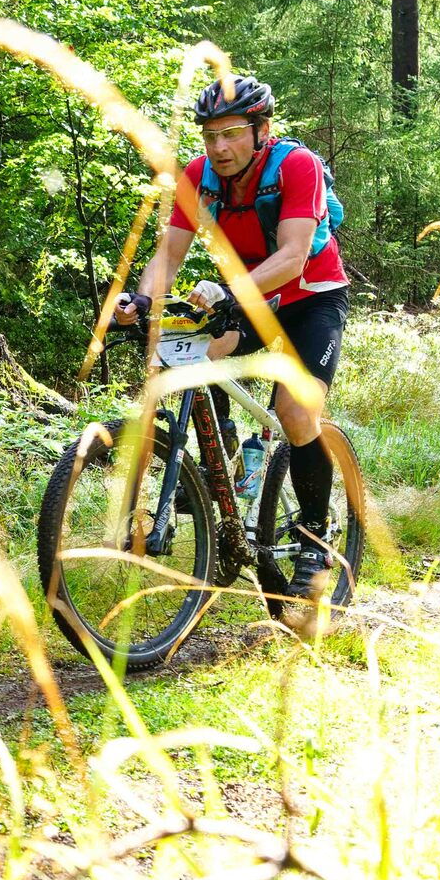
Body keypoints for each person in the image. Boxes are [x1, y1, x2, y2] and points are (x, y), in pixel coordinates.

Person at [116, 74, 348, 604]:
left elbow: (292, 256)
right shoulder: (197, 177)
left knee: (295, 412)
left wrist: (228, 290)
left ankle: (314, 541)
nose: (219, 147)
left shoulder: (297, 166)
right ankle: (221, 478)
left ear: (261, 130)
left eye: (232, 133)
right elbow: (168, 254)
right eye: (210, 135)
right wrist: (142, 301)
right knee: (191, 353)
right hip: (248, 299)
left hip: (311, 299)